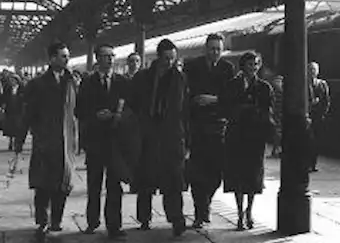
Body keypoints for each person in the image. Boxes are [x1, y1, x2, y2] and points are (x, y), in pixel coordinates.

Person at [129, 39, 188, 237]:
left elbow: (184, 109)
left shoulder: (179, 78)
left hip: (171, 136)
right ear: (158, 57)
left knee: (173, 180)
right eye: (166, 58)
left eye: (173, 58)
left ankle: (176, 219)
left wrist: (185, 136)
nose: (170, 62)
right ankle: (144, 218)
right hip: (148, 135)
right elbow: (133, 103)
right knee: (145, 179)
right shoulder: (143, 77)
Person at [24, 41, 80, 241]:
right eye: (63, 56)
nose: (67, 60)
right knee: (43, 185)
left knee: (62, 184)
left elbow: (78, 109)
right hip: (45, 141)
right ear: (52, 58)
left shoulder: (72, 82)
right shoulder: (37, 83)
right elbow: (28, 113)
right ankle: (42, 221)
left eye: (67, 56)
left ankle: (56, 220)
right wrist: (22, 139)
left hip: (65, 142)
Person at [77, 44, 129, 239]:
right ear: (97, 59)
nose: (110, 59)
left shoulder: (122, 82)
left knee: (115, 186)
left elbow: (130, 108)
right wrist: (95, 115)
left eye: (112, 56)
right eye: (106, 56)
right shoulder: (87, 83)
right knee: (94, 185)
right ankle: (92, 221)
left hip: (116, 141)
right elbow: (79, 110)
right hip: (95, 141)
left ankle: (114, 225)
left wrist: (117, 115)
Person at [184, 33, 235, 229]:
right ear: (205, 48)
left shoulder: (227, 69)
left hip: (218, 126)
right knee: (197, 171)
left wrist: (214, 100)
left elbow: (231, 96)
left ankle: (207, 201)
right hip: (197, 127)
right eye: (212, 48)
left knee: (216, 172)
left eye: (218, 49)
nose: (215, 52)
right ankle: (200, 210)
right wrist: (194, 101)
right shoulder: (192, 66)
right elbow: (184, 92)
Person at [223, 52, 273, 230]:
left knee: (252, 177)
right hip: (236, 136)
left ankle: (249, 211)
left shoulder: (264, 87)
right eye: (250, 64)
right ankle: (238, 213)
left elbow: (267, 111)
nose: (253, 68)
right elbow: (226, 108)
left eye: (256, 64)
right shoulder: (232, 86)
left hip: (255, 138)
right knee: (237, 176)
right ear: (243, 66)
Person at [308, 62, 331, 172]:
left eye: (314, 69)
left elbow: (326, 100)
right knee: (307, 140)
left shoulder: (322, 84)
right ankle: (306, 162)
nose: (312, 71)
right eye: (310, 69)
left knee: (316, 141)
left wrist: (323, 113)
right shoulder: (303, 84)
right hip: (307, 115)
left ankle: (313, 163)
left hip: (318, 116)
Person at [2, 75, 27, 154]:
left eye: (13, 80)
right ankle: (11, 141)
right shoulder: (8, 89)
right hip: (10, 110)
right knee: (10, 127)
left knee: (18, 128)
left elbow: (25, 99)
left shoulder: (22, 89)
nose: (11, 82)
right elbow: (4, 98)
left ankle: (17, 143)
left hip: (19, 111)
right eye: (10, 80)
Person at [269, 75, 284, 158]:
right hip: (278, 113)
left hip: (278, 113)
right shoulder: (277, 91)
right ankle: (276, 150)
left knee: (277, 132)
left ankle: (276, 150)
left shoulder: (275, 90)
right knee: (277, 132)